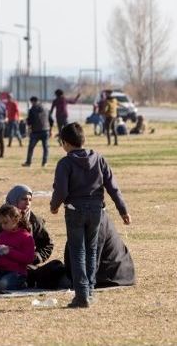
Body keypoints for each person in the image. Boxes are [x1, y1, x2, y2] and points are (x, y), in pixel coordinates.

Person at [51, 122, 131, 308]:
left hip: (74, 211)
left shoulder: (65, 163)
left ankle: (81, 295)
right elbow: (112, 186)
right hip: (97, 211)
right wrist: (123, 210)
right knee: (92, 249)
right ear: (83, 140)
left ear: (65, 143)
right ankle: (90, 290)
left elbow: (61, 191)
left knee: (77, 251)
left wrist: (54, 206)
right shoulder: (99, 159)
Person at [0, 185, 55, 288]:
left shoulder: (34, 220)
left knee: (4, 284)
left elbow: (47, 244)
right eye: (23, 199)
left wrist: (36, 257)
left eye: (30, 200)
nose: (27, 203)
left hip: (23, 268)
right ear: (14, 199)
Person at [0, 204, 35, 292]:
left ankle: (22, 283)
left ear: (16, 219)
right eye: (1, 223)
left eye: (5, 222)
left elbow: (29, 258)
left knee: (2, 285)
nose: (3, 226)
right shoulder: (0, 236)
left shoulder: (26, 237)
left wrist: (9, 251)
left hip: (17, 272)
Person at [22, 96, 51, 167]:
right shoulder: (46, 108)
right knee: (45, 148)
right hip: (45, 130)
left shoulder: (32, 109)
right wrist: (50, 129)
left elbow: (30, 121)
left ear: (33, 101)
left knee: (31, 147)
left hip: (36, 131)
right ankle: (44, 163)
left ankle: (28, 162)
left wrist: (27, 123)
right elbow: (51, 119)